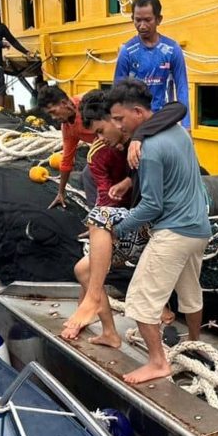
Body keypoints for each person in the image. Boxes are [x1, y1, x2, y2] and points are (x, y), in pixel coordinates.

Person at [61, 90, 189, 343]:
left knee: (98, 226)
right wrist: (127, 184)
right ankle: (107, 329)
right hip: (141, 218)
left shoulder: (143, 140)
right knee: (84, 266)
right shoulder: (103, 153)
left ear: (117, 119)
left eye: (101, 130)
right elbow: (104, 194)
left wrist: (110, 226)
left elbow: (177, 108)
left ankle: (94, 300)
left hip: (156, 223)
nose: (100, 138)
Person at [107, 79, 210, 384]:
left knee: (140, 300)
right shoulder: (176, 131)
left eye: (119, 119)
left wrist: (117, 229)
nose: (117, 125)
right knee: (190, 292)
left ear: (138, 112)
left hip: (173, 234)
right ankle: (195, 342)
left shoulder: (149, 149)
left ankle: (157, 362)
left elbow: (151, 206)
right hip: (198, 229)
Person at [114, 0, 190, 128]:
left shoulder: (172, 49)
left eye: (147, 20)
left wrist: (187, 125)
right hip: (137, 123)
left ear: (158, 19)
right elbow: (117, 93)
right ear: (132, 19)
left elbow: (182, 88)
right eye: (138, 20)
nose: (142, 26)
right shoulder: (127, 51)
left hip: (165, 120)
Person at [38, 85, 96, 210]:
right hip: (105, 150)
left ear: (64, 103)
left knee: (89, 175)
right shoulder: (68, 128)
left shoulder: (88, 102)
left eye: (53, 112)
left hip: (123, 144)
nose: (53, 118)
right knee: (84, 178)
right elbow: (67, 159)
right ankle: (98, 217)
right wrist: (61, 192)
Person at [0, 0, 30, 109]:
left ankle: (1, 110)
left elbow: (13, 41)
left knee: (0, 88)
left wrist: (26, 52)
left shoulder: (0, 27)